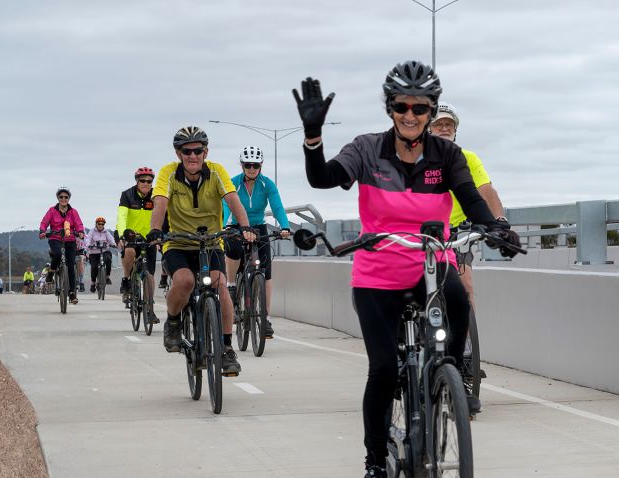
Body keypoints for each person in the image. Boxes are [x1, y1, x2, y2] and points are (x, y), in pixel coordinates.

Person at [292, 61, 521, 477]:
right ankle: (375, 462)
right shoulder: (366, 149)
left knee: (458, 302)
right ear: (390, 109)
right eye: (402, 106)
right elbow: (322, 178)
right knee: (381, 370)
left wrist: (498, 229)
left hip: (431, 263)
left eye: (420, 107)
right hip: (377, 272)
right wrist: (313, 138)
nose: (410, 115)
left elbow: (471, 200)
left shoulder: (446, 155)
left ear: (432, 111)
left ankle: (445, 381)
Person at [146, 126, 256, 377]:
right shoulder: (168, 174)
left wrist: (245, 226)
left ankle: (227, 348)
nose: (192, 155)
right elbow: (160, 201)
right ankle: (173, 322)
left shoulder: (217, 172)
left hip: (210, 242)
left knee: (219, 284)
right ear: (178, 153)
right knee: (184, 280)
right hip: (178, 243)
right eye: (187, 151)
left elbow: (232, 200)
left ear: (206, 152)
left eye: (198, 150)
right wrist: (155, 229)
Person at [430, 102, 508, 414]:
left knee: (464, 287)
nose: (444, 128)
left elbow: (487, 191)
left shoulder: (468, 159)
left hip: (459, 232)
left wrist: (499, 220)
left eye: (449, 124)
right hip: (425, 233)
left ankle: (463, 360)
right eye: (438, 124)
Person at [223, 146, 291, 338]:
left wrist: (284, 227)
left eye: (255, 165)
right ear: (242, 165)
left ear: (261, 166)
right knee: (233, 249)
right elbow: (226, 205)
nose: (251, 168)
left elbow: (277, 206)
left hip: (259, 226)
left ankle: (265, 317)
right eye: (248, 165)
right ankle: (231, 284)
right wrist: (226, 226)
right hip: (236, 224)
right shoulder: (233, 183)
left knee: (266, 272)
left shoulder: (267, 184)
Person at [116, 167, 160, 313]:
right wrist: (122, 234)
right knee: (129, 251)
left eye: (149, 181)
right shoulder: (127, 195)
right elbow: (122, 216)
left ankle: (149, 308)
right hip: (131, 234)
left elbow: (164, 216)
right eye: (142, 180)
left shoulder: (156, 196)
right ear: (137, 181)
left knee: (150, 274)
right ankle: (127, 279)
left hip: (150, 237)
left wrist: (162, 235)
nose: (146, 184)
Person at [38, 186, 84, 305]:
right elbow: (44, 222)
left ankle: (72, 293)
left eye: (66, 197)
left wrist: (81, 232)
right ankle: (52, 272)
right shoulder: (52, 211)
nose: (63, 199)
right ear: (58, 198)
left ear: (69, 199)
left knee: (71, 265)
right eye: (61, 197)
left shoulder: (73, 212)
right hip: (55, 238)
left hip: (70, 239)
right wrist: (42, 231)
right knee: (57, 254)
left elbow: (79, 224)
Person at [84, 217, 117, 292]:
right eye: (99, 224)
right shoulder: (92, 231)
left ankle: (107, 277)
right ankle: (93, 283)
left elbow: (110, 239)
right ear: (96, 224)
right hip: (94, 252)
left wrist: (113, 244)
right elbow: (88, 239)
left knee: (108, 260)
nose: (101, 225)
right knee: (94, 267)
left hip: (104, 251)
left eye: (102, 224)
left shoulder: (106, 232)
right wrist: (88, 245)